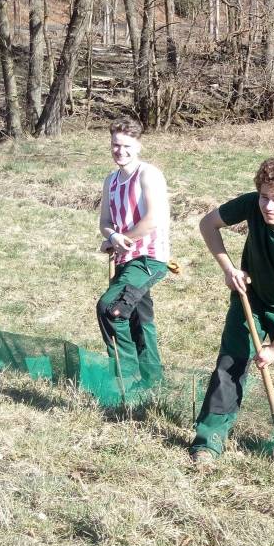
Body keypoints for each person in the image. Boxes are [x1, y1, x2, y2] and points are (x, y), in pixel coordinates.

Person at [191, 158, 274, 465]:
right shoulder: (252, 205)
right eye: (265, 197)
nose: (268, 206)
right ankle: (209, 441)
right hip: (250, 298)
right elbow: (207, 224)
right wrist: (229, 268)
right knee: (230, 364)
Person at [96, 117, 171, 393]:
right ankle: (153, 382)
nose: (120, 151)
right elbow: (105, 221)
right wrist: (113, 237)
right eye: (115, 145)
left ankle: (126, 379)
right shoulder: (111, 181)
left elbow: (154, 218)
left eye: (126, 145)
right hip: (124, 260)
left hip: (149, 258)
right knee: (140, 318)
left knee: (111, 309)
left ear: (138, 145)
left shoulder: (148, 174)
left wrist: (123, 239)